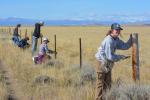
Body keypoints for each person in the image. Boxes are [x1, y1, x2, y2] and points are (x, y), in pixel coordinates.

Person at [95, 23, 132, 100]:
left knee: (108, 84)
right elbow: (110, 56)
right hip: (101, 63)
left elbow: (125, 46)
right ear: (112, 30)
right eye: (116, 30)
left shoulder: (116, 39)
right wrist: (121, 57)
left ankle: (106, 98)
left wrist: (132, 39)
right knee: (100, 84)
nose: (118, 32)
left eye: (119, 30)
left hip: (108, 63)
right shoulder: (109, 40)